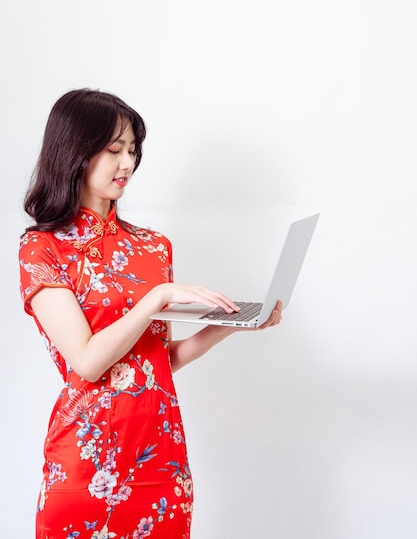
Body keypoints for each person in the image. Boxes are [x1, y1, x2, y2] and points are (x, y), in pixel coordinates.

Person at [18, 88, 282, 539]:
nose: (127, 164)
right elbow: (86, 360)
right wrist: (156, 297)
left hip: (160, 458)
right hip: (85, 459)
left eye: (133, 151)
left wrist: (232, 325)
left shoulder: (154, 247)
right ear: (75, 153)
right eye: (114, 150)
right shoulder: (43, 249)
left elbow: (161, 359)